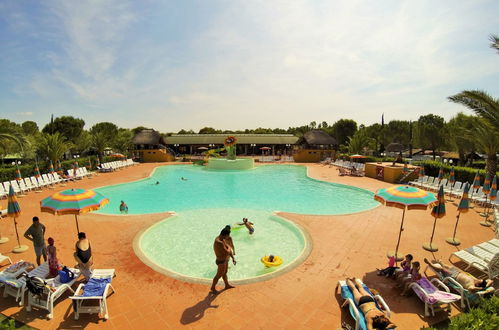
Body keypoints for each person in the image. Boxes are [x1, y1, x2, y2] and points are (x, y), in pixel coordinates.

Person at [424, 258, 493, 292]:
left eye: (479, 281)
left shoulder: (472, 285)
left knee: (442, 269)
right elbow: (490, 280)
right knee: (449, 266)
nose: (478, 279)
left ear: (477, 285)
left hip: (453, 277)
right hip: (457, 272)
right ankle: (441, 262)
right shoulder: (475, 281)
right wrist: (485, 286)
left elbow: (471, 289)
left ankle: (430, 264)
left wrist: (480, 288)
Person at [210, 226, 236, 293]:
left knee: (224, 273)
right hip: (221, 261)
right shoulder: (219, 242)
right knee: (218, 275)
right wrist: (230, 247)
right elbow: (228, 250)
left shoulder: (222, 239)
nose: (228, 237)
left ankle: (227, 285)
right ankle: (212, 288)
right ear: (226, 235)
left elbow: (228, 250)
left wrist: (233, 258)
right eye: (228, 235)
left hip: (225, 260)